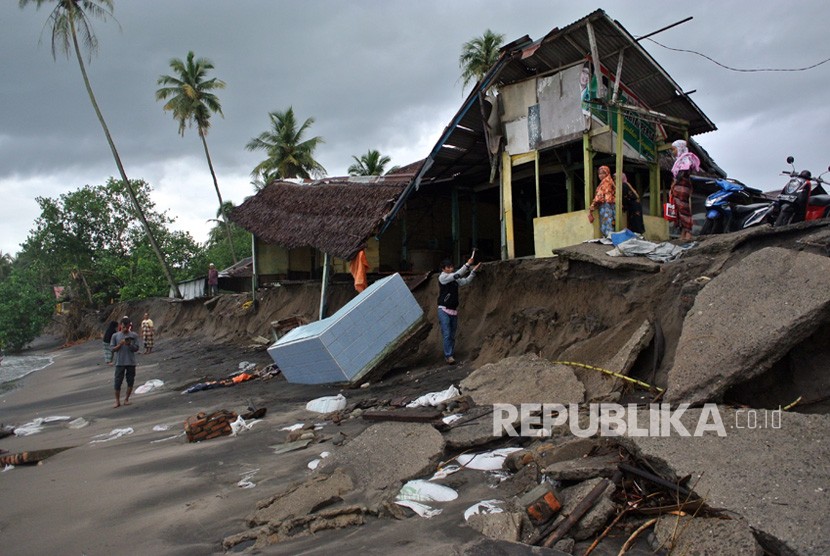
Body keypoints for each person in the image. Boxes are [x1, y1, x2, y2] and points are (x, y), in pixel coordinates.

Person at [437, 253, 481, 365]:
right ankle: (448, 356)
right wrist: (467, 264)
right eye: (448, 267)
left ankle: (450, 353)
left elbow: (465, 281)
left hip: (453, 310)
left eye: (452, 267)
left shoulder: (454, 279)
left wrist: (473, 272)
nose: (451, 269)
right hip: (443, 309)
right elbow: (456, 275)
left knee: (451, 334)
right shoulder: (443, 277)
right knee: (447, 333)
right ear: (443, 269)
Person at [670, 139, 701, 241]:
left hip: (682, 187)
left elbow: (680, 175)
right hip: (679, 188)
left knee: (684, 209)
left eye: (674, 149)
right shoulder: (680, 160)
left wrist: (674, 184)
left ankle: (688, 233)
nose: (673, 151)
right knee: (679, 210)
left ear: (679, 148)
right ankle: (683, 232)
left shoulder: (685, 160)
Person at [110, 316, 140, 408]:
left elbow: (136, 348)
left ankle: (126, 399)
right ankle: (117, 401)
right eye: (123, 327)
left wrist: (129, 344)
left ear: (129, 326)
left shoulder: (134, 335)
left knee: (130, 381)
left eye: (127, 327)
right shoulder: (115, 336)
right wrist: (120, 345)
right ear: (120, 326)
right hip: (120, 362)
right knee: (117, 382)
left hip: (131, 362)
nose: (125, 329)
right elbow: (112, 349)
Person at [587, 165, 616, 237]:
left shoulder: (606, 182)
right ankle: (609, 236)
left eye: (603, 173)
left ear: (607, 173)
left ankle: (609, 237)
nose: (600, 175)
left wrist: (592, 206)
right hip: (610, 205)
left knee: (606, 222)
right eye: (599, 173)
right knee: (610, 221)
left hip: (606, 205)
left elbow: (599, 196)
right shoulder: (610, 181)